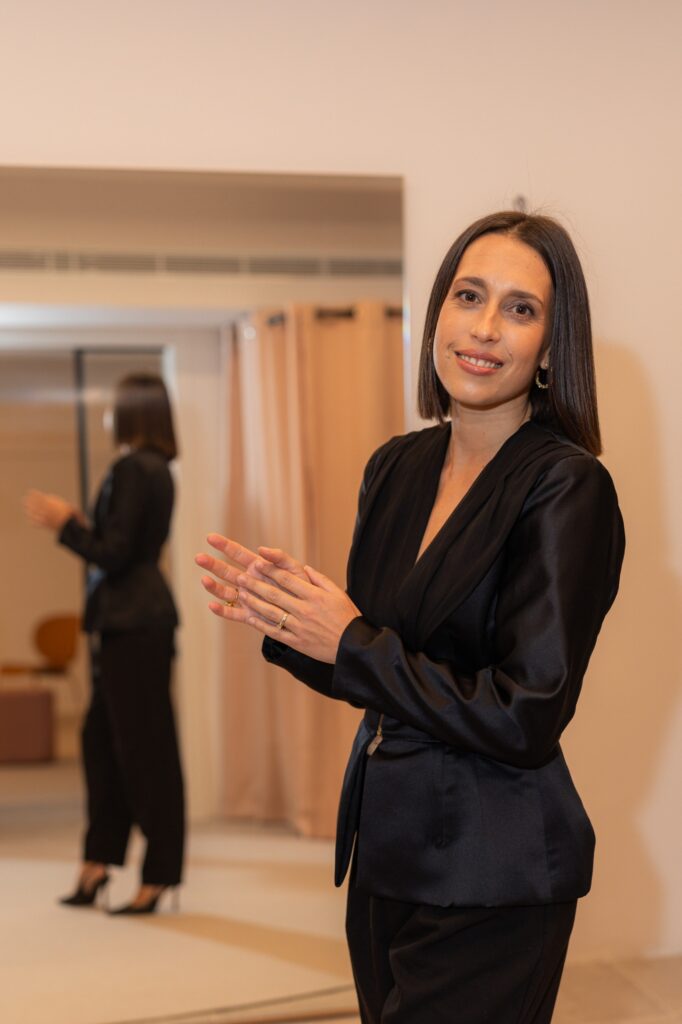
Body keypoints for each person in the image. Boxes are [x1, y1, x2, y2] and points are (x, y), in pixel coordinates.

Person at [196, 211, 625, 1022]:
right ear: (438, 311)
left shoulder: (567, 488)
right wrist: (289, 619)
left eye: (520, 309)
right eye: (469, 295)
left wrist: (350, 641)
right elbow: (383, 669)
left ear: (549, 347)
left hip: (495, 871)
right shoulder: (396, 468)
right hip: (388, 852)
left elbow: (525, 715)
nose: (486, 327)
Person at [25, 372, 184, 915]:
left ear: (131, 412)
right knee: (103, 745)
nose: (107, 415)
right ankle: (98, 862)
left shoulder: (134, 467)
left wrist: (68, 523)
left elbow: (113, 553)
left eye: (114, 407)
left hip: (135, 623)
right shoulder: (154, 468)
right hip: (129, 623)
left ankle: (160, 874)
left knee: (144, 752)